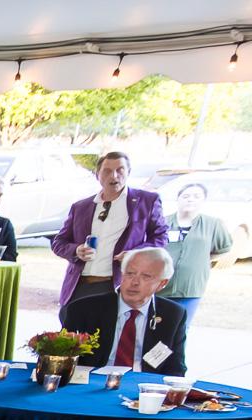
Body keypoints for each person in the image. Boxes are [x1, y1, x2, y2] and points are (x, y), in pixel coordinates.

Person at [50, 151, 166, 307]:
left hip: (116, 285)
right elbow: (59, 242)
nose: (114, 176)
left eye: (120, 170)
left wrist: (135, 254)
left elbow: (161, 237)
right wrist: (76, 250)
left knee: (110, 331)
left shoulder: (146, 201)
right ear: (98, 174)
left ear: (128, 172)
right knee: (69, 331)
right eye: (107, 171)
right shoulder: (81, 207)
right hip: (78, 286)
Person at [62, 248, 187, 377]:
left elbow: (176, 369)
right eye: (130, 273)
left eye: (146, 276)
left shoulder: (173, 314)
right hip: (92, 384)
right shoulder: (83, 309)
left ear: (162, 283)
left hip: (143, 387)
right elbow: (62, 360)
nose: (134, 282)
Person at [160, 182, 236, 320]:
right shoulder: (163, 222)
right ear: (178, 198)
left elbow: (224, 249)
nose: (190, 199)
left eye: (196, 196)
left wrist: (202, 258)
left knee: (181, 327)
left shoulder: (213, 224)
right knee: (157, 325)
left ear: (203, 200)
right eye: (186, 196)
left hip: (190, 287)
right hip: (161, 286)